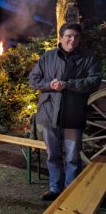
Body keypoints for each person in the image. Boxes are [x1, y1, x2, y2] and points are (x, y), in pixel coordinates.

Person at [29, 22, 101, 201]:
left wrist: (68, 85)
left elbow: (94, 81)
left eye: (76, 36)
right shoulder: (47, 57)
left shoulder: (89, 58)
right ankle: (55, 188)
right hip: (49, 111)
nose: (72, 40)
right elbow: (33, 79)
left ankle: (70, 190)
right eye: (69, 36)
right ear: (61, 38)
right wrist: (50, 84)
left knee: (72, 157)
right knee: (52, 154)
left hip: (73, 113)